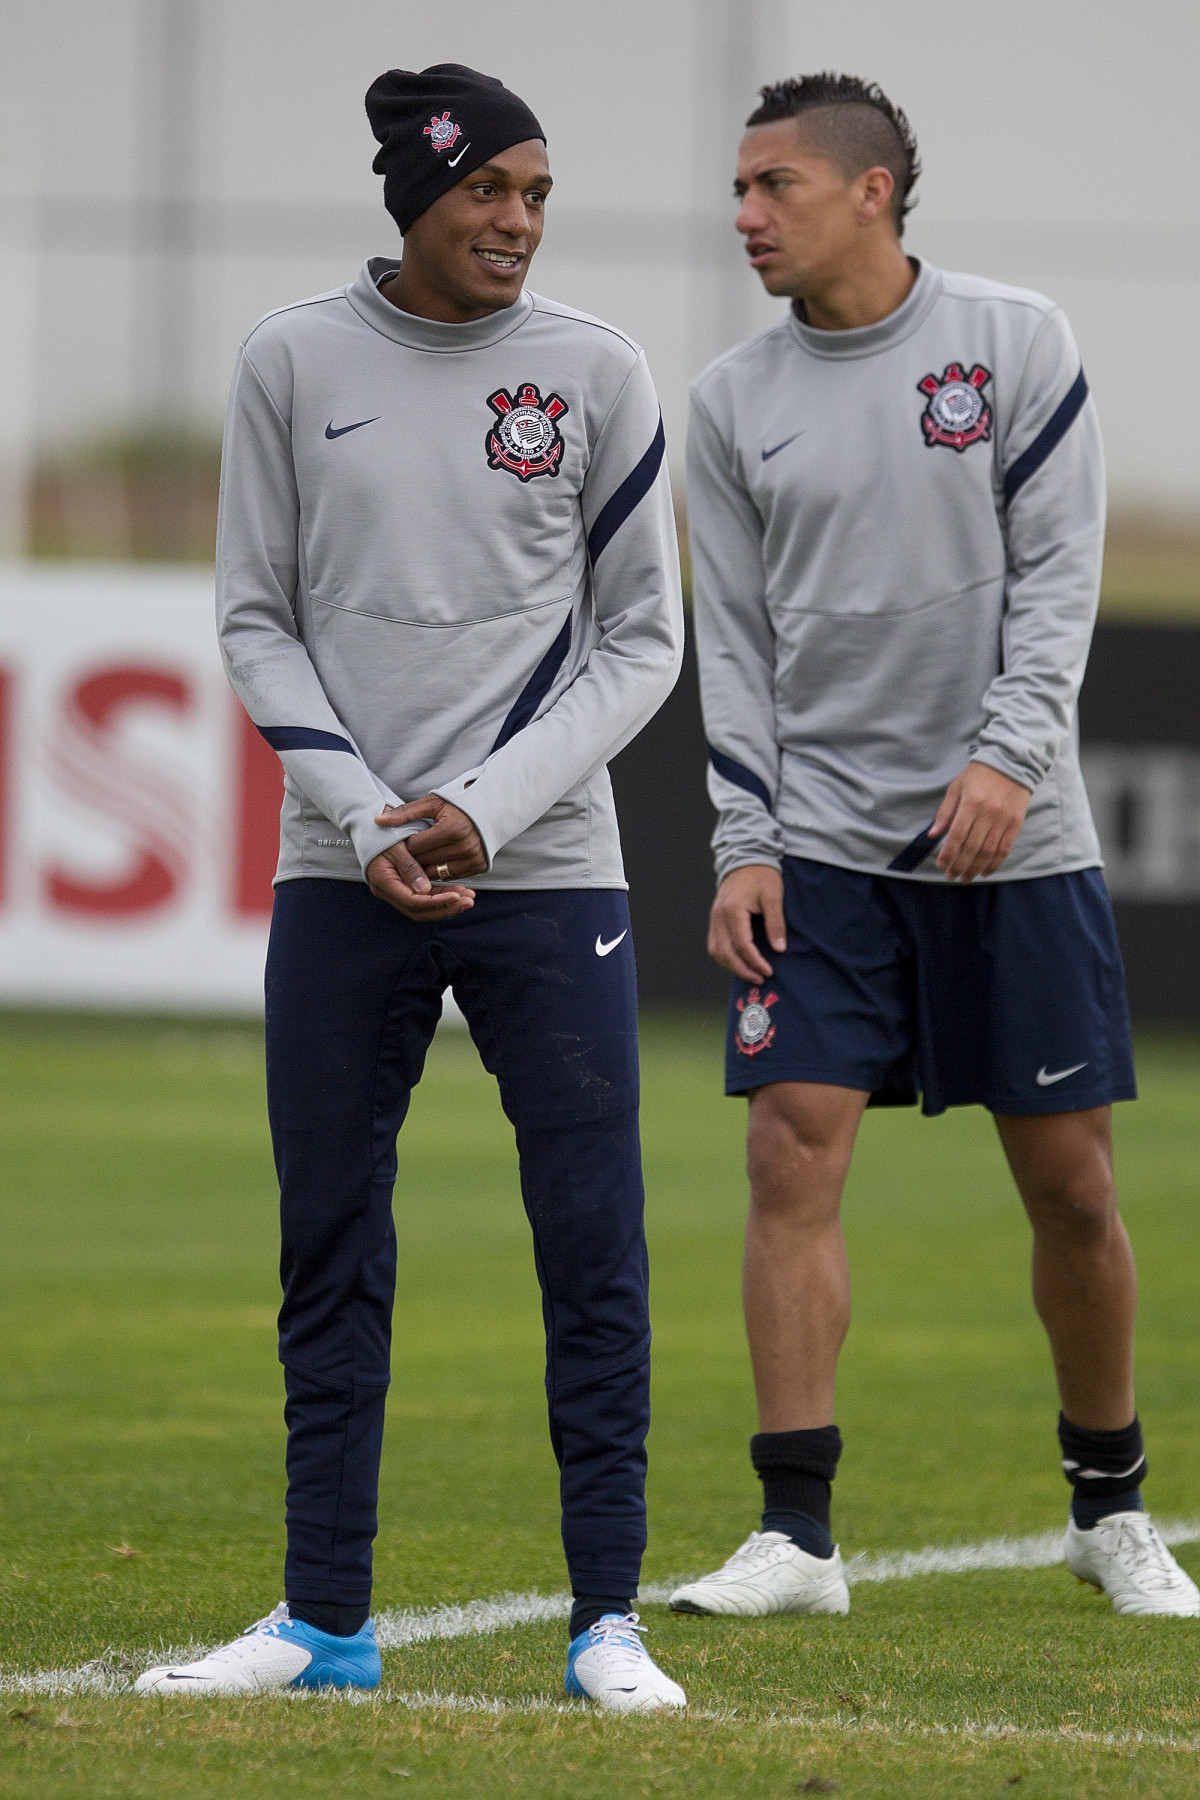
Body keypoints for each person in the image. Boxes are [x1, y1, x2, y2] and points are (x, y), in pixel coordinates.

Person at [136, 62, 687, 1710]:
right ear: (414, 196)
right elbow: (254, 617)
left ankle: (608, 1622)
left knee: (592, 1245)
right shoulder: (290, 360)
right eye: (487, 193)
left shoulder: (600, 372)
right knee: (330, 1243)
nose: (515, 223)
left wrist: (486, 810)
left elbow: (645, 643)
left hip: (548, 871)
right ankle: (323, 1627)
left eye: (535, 197)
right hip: (342, 870)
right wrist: (373, 815)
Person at [669, 72, 1198, 1623]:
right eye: (741, 189)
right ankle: (797, 1536)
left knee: (1075, 1192)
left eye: (774, 186)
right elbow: (739, 647)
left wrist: (1003, 761)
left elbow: (1059, 577)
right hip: (821, 852)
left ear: (871, 193)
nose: (747, 215)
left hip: (1014, 848)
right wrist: (742, 842)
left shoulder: (1014, 341)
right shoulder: (728, 402)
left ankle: (1111, 1509)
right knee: (788, 1147)